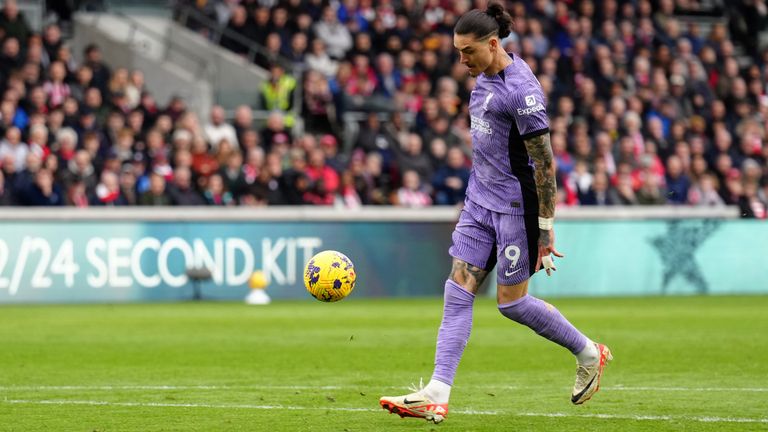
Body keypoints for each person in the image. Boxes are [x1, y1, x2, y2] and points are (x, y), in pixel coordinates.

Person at [379, 2, 612, 424]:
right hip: (479, 201)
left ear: (492, 44)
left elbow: (544, 162)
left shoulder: (522, 92)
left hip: (515, 209)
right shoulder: (481, 80)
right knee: (458, 287)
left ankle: (588, 351)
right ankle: (437, 392)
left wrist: (544, 228)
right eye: (457, 50)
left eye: (467, 51)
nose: (461, 59)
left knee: (512, 305)